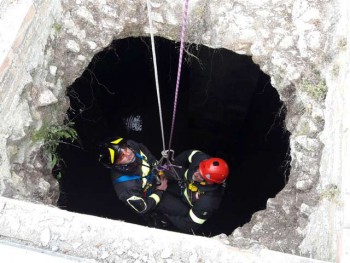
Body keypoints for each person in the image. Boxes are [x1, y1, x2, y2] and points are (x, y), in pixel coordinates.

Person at [156, 150, 229, 233]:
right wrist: (172, 165)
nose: (195, 173)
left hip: (186, 206)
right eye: (199, 168)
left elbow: (189, 225)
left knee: (160, 201)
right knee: (161, 176)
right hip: (184, 184)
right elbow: (188, 153)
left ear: (209, 182)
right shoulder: (201, 159)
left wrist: (167, 217)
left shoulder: (208, 202)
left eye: (200, 175)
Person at [98, 136, 168, 222]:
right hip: (151, 197)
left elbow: (147, 155)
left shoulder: (132, 145)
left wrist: (159, 169)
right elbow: (143, 208)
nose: (128, 153)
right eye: (121, 157)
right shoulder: (125, 188)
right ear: (116, 164)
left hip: (156, 178)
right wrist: (159, 191)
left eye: (124, 148)